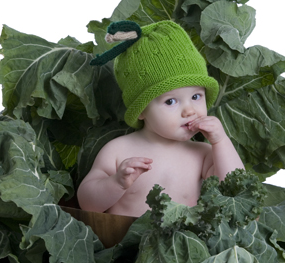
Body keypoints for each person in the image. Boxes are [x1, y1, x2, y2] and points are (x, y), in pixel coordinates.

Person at [77, 20, 244, 217]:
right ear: (141, 110)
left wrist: (221, 141)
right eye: (171, 101)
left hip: (180, 246)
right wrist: (116, 182)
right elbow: (87, 204)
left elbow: (236, 193)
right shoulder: (118, 150)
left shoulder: (203, 154)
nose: (189, 111)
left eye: (196, 97)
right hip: (121, 244)